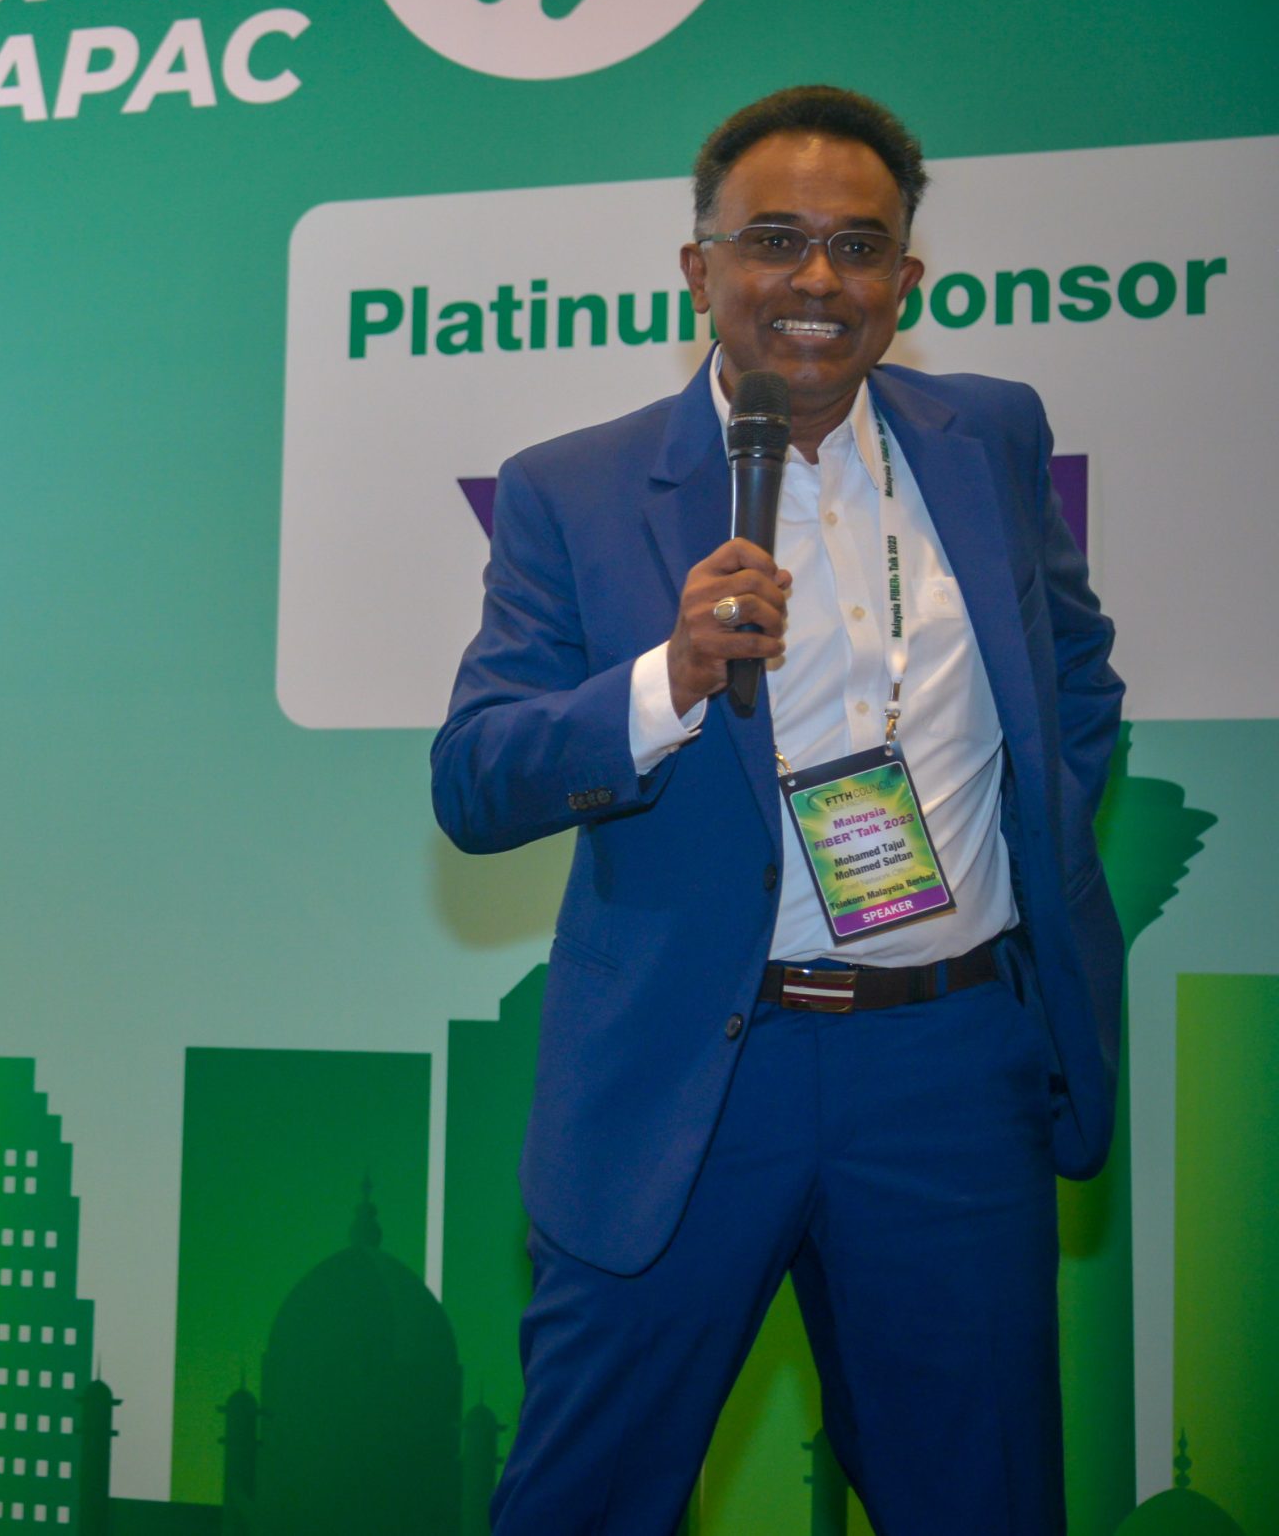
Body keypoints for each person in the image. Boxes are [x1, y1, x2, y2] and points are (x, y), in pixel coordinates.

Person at [431, 85, 1122, 1534]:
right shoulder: (577, 488)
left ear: (905, 280)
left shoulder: (991, 437)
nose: (817, 278)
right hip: (691, 1070)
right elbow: (477, 777)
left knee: (982, 1499)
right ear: (699, 269)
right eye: (774, 240)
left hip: (949, 1067)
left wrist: (1030, 845)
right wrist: (666, 679)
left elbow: (1072, 673)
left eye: (858, 247)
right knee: (584, 1501)